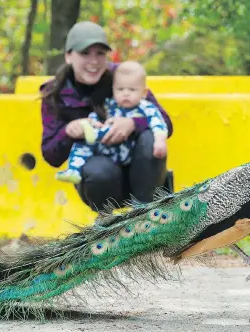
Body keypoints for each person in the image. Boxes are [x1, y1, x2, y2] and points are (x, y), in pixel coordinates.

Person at [39, 21, 173, 213]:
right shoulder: (55, 93)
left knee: (151, 137)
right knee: (99, 171)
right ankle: (106, 222)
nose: (93, 61)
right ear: (68, 56)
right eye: (85, 53)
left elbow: (164, 121)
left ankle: (146, 212)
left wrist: (132, 123)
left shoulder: (124, 76)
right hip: (101, 178)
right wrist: (68, 131)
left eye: (100, 53)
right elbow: (51, 155)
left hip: (142, 172)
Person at [55, 60, 169, 184]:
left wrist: (159, 140)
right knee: (83, 144)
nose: (126, 94)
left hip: (131, 153)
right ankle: (73, 170)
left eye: (132, 90)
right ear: (113, 89)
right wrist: (91, 123)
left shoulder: (145, 107)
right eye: (120, 89)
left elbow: (159, 123)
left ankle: (144, 197)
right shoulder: (110, 105)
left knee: (148, 139)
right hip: (108, 150)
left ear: (144, 93)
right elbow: (96, 116)